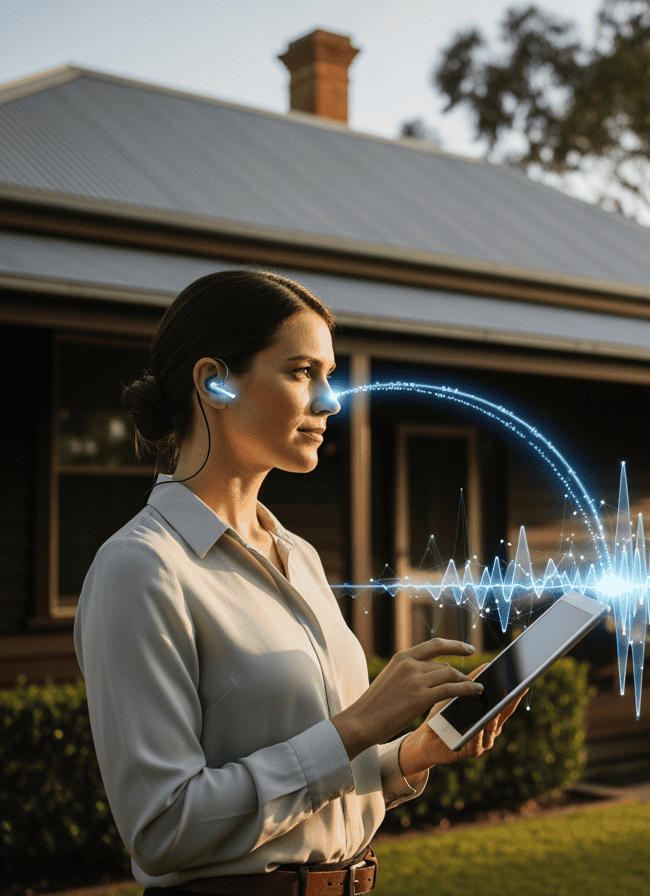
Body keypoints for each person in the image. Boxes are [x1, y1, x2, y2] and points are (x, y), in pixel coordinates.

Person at [74, 270, 523, 895]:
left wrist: (411, 753)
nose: (331, 400)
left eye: (328, 374)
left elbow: (321, 783)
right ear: (215, 382)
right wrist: (358, 727)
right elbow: (164, 826)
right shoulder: (142, 569)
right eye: (302, 371)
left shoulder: (300, 557)